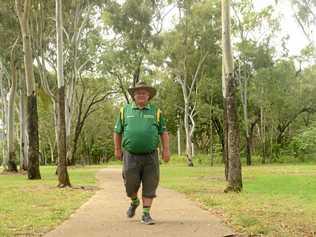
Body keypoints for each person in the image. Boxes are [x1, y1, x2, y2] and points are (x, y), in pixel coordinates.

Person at [113, 81, 170, 225]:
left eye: (144, 92)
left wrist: (166, 150)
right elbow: (117, 132)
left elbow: (163, 132)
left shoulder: (156, 111)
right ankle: (134, 201)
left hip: (151, 155)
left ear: (149, 95)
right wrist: (118, 149)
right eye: (138, 92)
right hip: (130, 155)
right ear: (133, 95)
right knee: (130, 185)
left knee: (150, 183)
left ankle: (146, 214)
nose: (141, 94)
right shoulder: (124, 111)